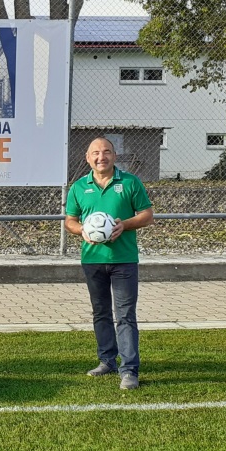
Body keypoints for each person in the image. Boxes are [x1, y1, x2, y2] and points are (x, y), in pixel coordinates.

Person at [65, 137, 153, 391]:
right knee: (100, 312)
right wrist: (81, 230)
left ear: (114, 156)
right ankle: (107, 361)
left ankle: (129, 369)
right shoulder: (79, 187)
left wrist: (124, 225)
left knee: (125, 315)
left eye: (106, 152)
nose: (101, 157)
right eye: (95, 153)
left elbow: (147, 215)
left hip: (124, 260)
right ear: (87, 158)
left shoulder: (130, 182)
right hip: (92, 260)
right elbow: (70, 221)